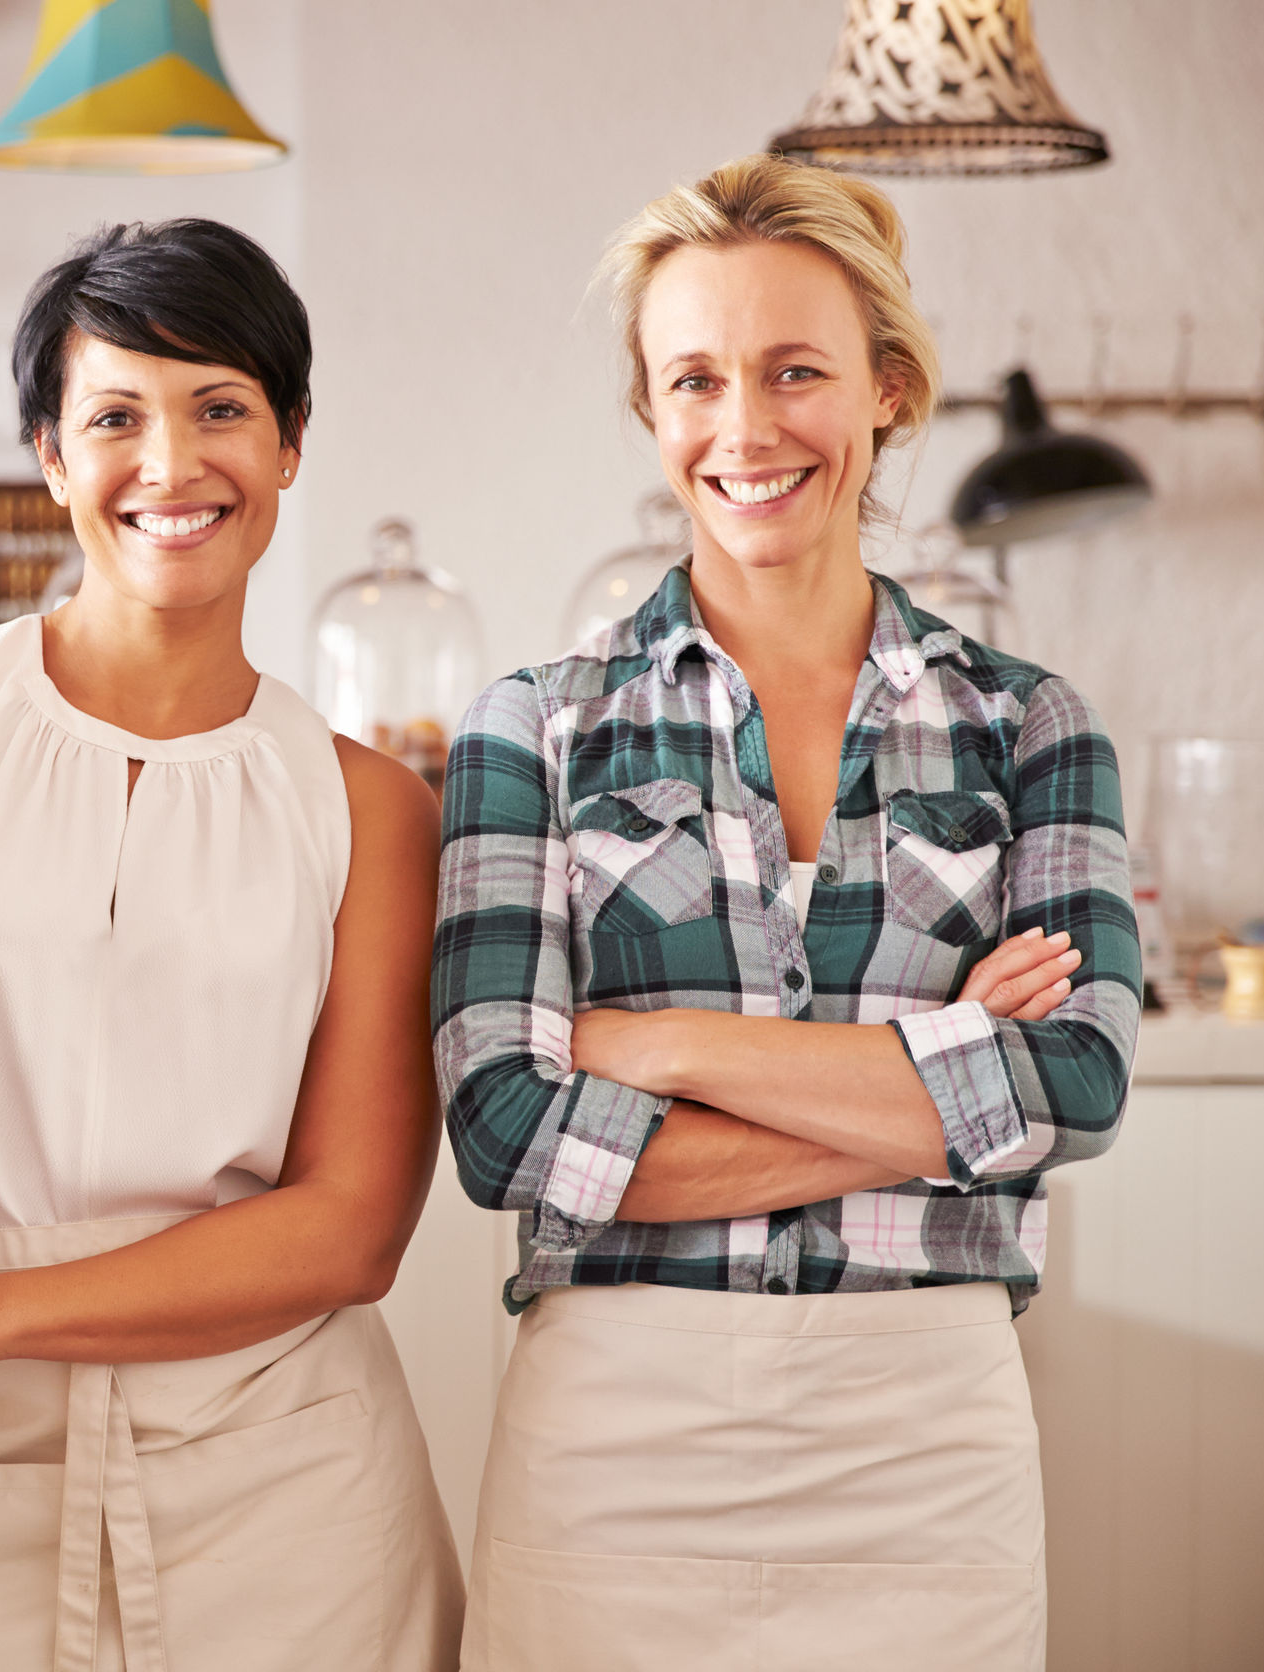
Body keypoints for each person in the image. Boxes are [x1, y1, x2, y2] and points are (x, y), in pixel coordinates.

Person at [0, 218, 464, 1671]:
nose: (171, 465)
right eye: (116, 418)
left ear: (291, 445)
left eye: (220, 409)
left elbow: (352, 1225)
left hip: (287, 1494)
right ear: (52, 457)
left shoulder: (375, 811)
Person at [436, 155, 1140, 1669]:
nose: (745, 428)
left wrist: (655, 1046)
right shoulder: (535, 727)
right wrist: (946, 1069)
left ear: (888, 388)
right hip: (615, 1441)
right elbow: (503, 1132)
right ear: (651, 408)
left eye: (795, 370)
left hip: (926, 1445)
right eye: (695, 378)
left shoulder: (1028, 725)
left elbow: (1077, 1091)